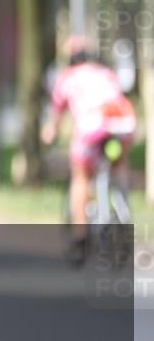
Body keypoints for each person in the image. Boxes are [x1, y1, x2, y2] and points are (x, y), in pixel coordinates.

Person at [41, 36, 136, 263]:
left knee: (81, 175)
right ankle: (123, 211)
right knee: (118, 163)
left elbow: (55, 117)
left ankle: (80, 235)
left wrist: (49, 134)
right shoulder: (105, 73)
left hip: (92, 129)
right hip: (122, 125)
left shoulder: (67, 78)